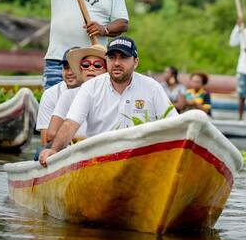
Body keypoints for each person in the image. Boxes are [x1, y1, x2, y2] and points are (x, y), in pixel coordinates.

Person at [39, 37, 177, 166]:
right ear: (107, 61)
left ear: (136, 62)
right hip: (99, 160)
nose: (116, 63)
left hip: (142, 159)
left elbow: (173, 123)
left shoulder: (152, 87)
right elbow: (70, 124)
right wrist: (55, 150)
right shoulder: (90, 87)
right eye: (112, 57)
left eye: (123, 57)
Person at [42, 44, 109, 151]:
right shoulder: (68, 95)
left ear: (106, 70)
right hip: (72, 149)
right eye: (86, 65)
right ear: (80, 69)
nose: (91, 68)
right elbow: (51, 135)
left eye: (97, 65)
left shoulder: (114, 94)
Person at [35, 47, 82, 158]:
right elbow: (46, 140)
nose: (69, 72)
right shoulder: (50, 94)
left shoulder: (93, 89)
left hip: (86, 145)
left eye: (73, 68)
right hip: (60, 148)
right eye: (66, 68)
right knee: (40, 153)